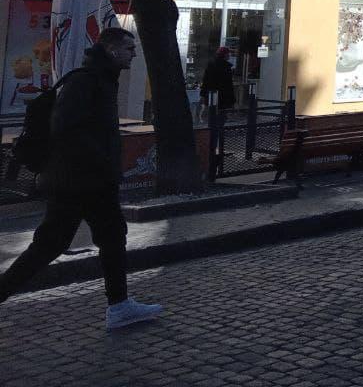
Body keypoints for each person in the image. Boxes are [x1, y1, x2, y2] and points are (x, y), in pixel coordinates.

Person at [0, 28, 163, 330]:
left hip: (83, 180)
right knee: (64, 242)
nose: (133, 54)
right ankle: (119, 306)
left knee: (83, 239)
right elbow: (66, 128)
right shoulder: (86, 81)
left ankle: (119, 304)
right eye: (129, 48)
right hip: (82, 181)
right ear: (112, 50)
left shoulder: (99, 80)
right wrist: (100, 160)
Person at [200, 46, 236, 111]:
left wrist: (203, 94)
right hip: (223, 96)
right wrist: (232, 100)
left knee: (211, 114)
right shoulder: (226, 67)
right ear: (225, 55)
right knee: (221, 116)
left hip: (211, 94)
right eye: (228, 54)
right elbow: (228, 85)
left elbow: (205, 80)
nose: (229, 56)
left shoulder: (211, 64)